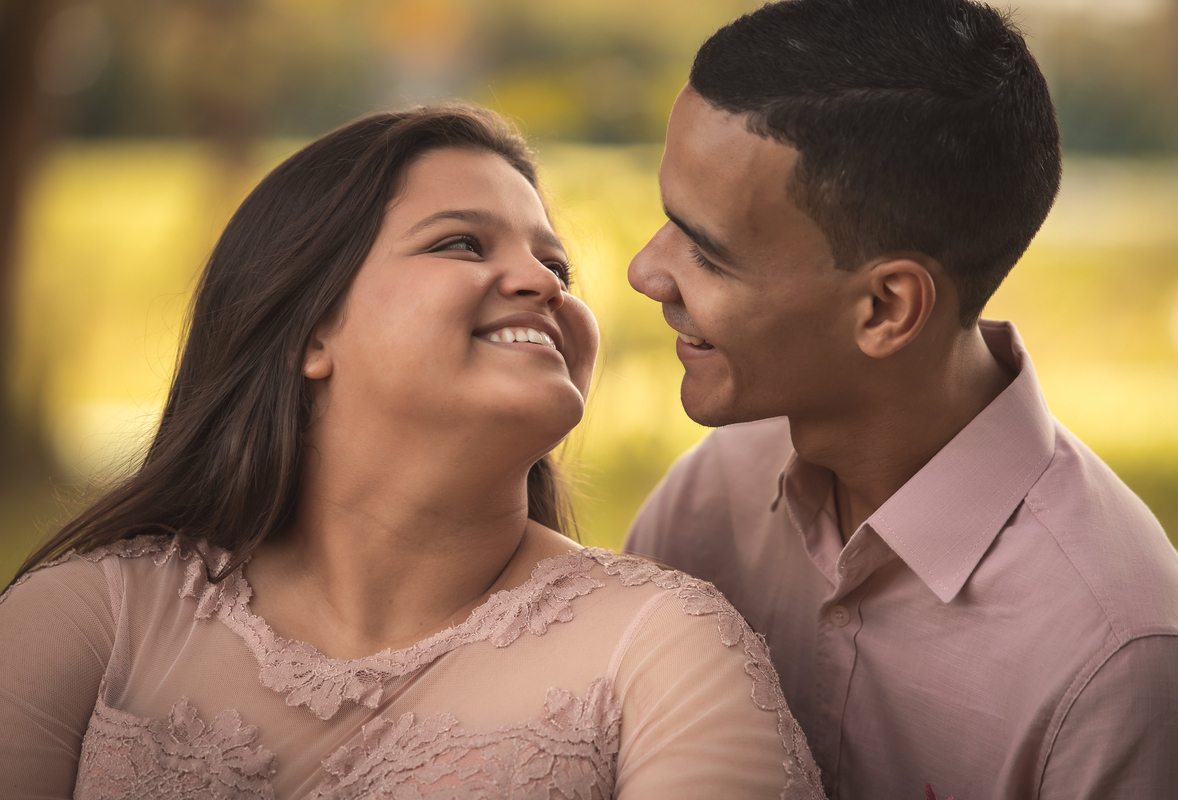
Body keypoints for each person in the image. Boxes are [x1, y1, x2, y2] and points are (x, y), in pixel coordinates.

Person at [0, 104, 825, 799]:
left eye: (557, 266)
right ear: (310, 331)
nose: (545, 284)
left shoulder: (660, 649)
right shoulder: (92, 620)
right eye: (462, 244)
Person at [623, 1, 1178, 798]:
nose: (645, 272)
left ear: (887, 309)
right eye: (666, 221)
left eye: (708, 254)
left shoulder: (1113, 658)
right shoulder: (708, 498)